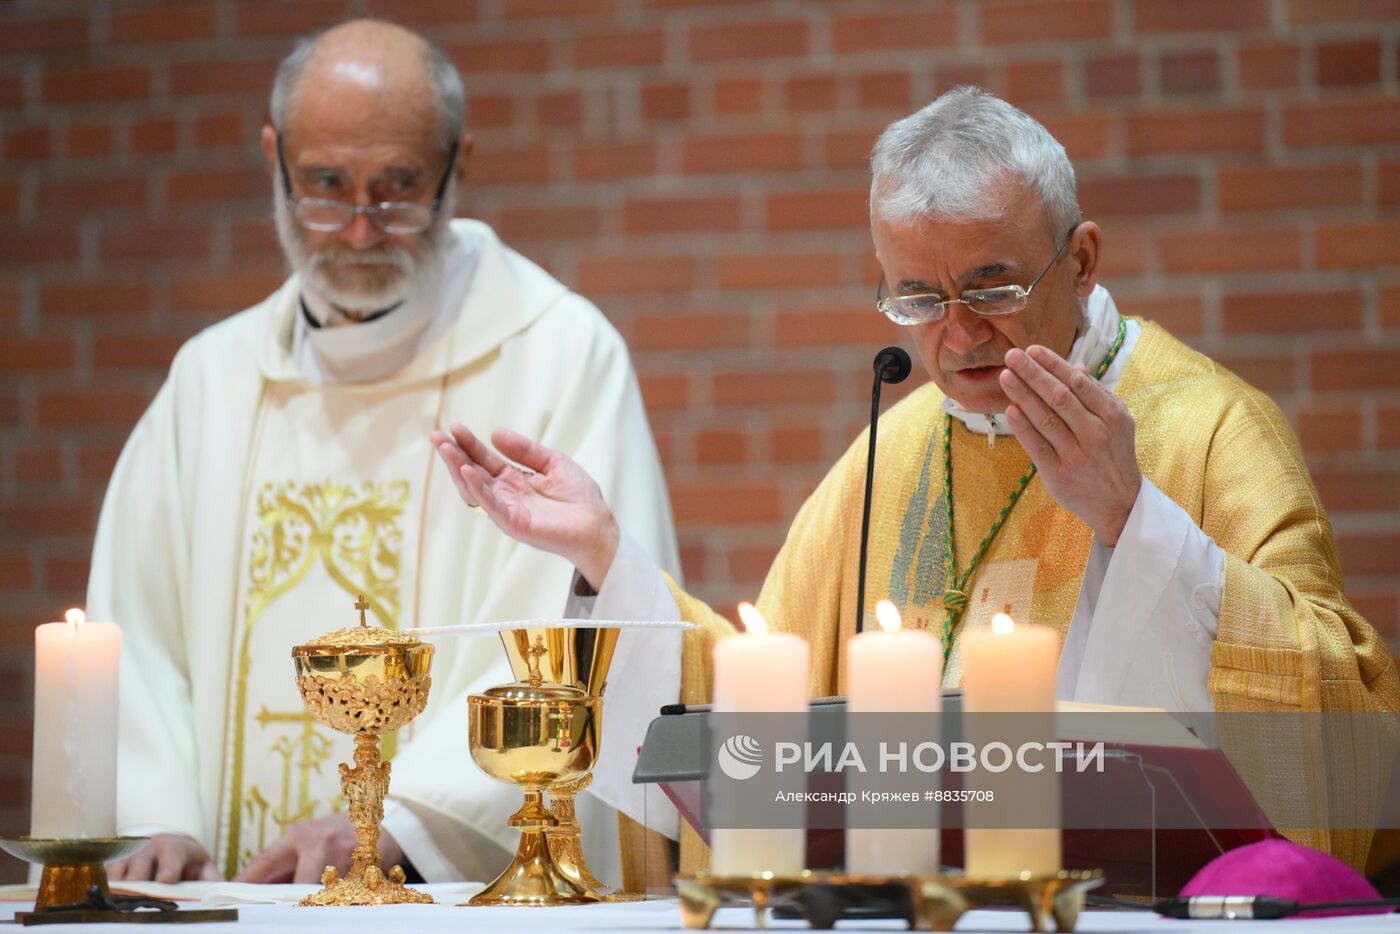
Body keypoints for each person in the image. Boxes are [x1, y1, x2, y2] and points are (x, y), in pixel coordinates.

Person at [434, 87, 1400, 871]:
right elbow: (763, 694)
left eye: (992, 287)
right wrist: (604, 556)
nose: (961, 332)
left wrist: (1135, 524)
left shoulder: (1208, 427)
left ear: (1084, 259)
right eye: (919, 298)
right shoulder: (895, 450)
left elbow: (1336, 714)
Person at [94, 19, 681, 886]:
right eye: (325, 187)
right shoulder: (211, 381)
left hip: (443, 888)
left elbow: (576, 638)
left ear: (458, 165)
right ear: (274, 160)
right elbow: (134, 636)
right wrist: (158, 820)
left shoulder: (558, 352)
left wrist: (398, 820)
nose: (360, 231)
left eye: (398, 190)